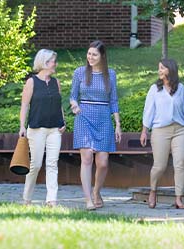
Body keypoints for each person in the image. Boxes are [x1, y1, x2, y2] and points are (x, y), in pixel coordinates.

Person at [70, 40, 122, 210]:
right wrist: (74, 105)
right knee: (86, 159)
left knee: (103, 162)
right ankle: (88, 200)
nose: (90, 57)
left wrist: (117, 124)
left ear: (102, 56)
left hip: (103, 119)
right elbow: (72, 96)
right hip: (84, 118)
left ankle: (96, 191)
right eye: (89, 54)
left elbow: (113, 100)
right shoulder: (79, 72)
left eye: (94, 54)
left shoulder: (111, 74)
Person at [140, 58, 184, 209]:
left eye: (162, 68)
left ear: (170, 70)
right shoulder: (154, 89)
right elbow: (148, 111)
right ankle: (153, 191)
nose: (160, 71)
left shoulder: (181, 88)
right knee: (159, 166)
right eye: (159, 68)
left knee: (180, 165)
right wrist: (145, 130)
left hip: (180, 130)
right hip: (160, 130)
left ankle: (178, 198)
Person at [19, 49, 66, 207]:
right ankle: (27, 198)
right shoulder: (32, 82)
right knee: (36, 164)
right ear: (45, 63)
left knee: (52, 163)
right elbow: (25, 105)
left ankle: (51, 200)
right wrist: (22, 126)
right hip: (36, 129)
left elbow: (59, 104)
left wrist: (63, 121)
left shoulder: (56, 82)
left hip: (54, 130)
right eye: (53, 61)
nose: (55, 64)